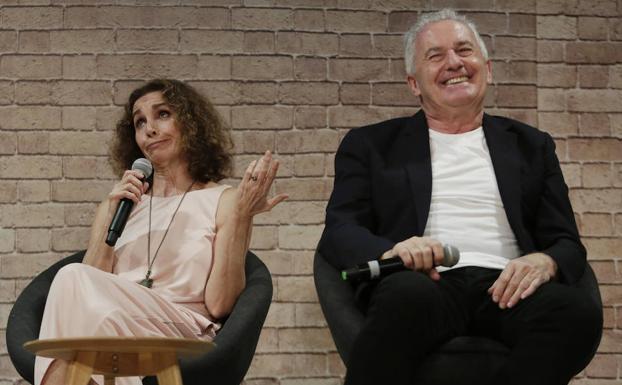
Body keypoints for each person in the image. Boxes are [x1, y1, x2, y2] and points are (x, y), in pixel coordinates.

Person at [319, 9, 602, 385]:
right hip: (424, 283)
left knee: (576, 313)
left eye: (464, 50)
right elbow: (340, 229)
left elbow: (567, 242)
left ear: (487, 68)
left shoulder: (532, 146)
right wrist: (394, 252)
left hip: (507, 287)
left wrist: (544, 262)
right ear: (414, 83)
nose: (454, 63)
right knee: (405, 296)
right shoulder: (370, 145)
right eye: (435, 56)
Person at [35, 79, 288, 385]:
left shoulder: (226, 200)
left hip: (183, 328)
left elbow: (221, 304)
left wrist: (243, 216)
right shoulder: (120, 204)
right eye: (140, 122)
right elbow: (83, 294)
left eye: (162, 115)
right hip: (111, 323)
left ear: (191, 124)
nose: (149, 129)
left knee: (72, 281)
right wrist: (110, 216)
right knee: (91, 308)